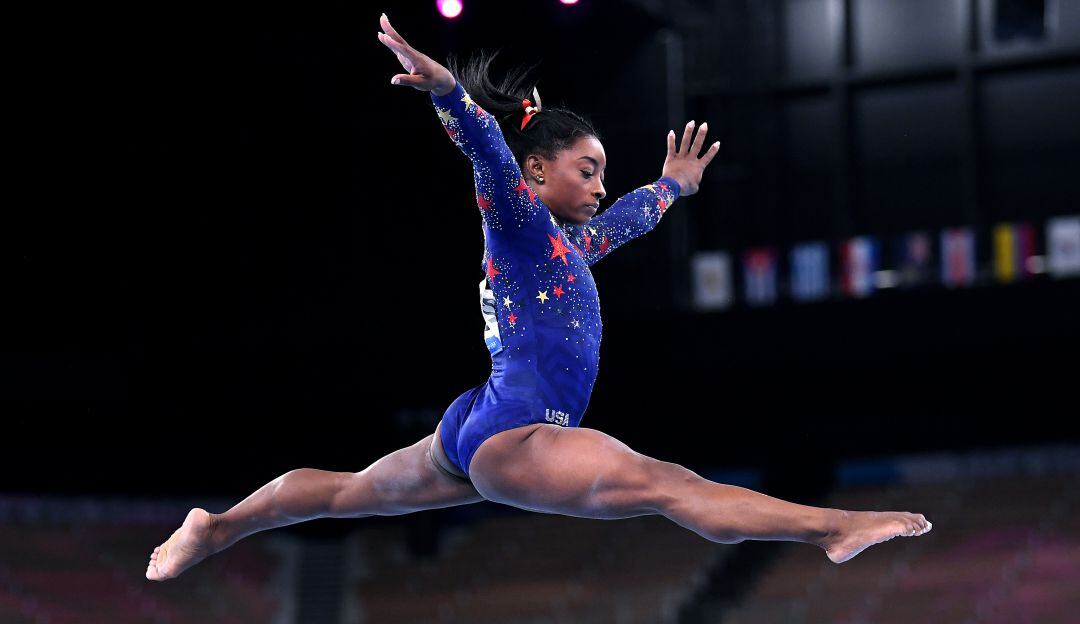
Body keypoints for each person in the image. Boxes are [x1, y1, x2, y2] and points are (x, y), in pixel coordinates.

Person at [146, 13, 931, 582]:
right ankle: (832, 526)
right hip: (518, 436)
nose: (598, 184)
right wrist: (450, 95)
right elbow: (488, 150)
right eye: (585, 169)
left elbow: (623, 222)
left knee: (351, 494)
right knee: (669, 486)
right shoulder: (519, 225)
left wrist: (671, 186)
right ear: (536, 176)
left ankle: (216, 527)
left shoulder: (563, 247)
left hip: (479, 422)